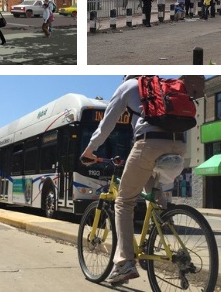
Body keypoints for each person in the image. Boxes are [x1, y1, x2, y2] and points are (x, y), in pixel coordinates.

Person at [80, 76, 187, 285]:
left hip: (148, 146)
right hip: (179, 147)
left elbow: (106, 125)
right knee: (153, 199)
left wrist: (89, 150)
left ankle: (124, 263)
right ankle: (153, 240)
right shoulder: (163, 86)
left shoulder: (128, 86)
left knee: (123, 202)